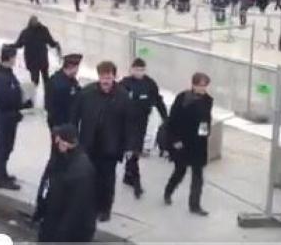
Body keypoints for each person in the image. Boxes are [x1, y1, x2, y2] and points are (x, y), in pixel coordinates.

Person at [70, 61, 136, 222]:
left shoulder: (122, 96)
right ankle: (89, 206)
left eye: (109, 77)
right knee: (88, 177)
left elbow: (129, 123)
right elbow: (74, 116)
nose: (105, 81)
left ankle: (105, 209)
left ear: (115, 76)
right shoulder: (87, 93)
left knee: (107, 180)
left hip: (110, 146)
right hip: (88, 144)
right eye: (103, 77)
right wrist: (72, 138)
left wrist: (129, 146)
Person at [33, 125, 97, 242]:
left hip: (67, 230)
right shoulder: (58, 159)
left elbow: (77, 207)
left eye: (59, 139)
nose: (56, 142)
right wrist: (40, 207)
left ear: (66, 143)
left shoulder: (81, 170)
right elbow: (46, 183)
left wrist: (62, 234)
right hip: (50, 220)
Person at [164, 72, 214, 216]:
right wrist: (175, 140)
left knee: (198, 176)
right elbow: (172, 120)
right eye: (200, 85)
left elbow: (206, 119)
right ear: (193, 84)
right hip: (183, 142)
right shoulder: (183, 98)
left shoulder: (208, 100)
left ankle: (195, 205)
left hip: (198, 143)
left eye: (205, 86)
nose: (203, 89)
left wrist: (205, 134)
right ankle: (168, 191)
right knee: (180, 171)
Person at [0, 45, 34, 190]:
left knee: (7, 146)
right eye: (15, 57)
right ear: (10, 58)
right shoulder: (0, 76)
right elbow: (4, 98)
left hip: (9, 115)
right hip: (5, 116)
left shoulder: (5, 73)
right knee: (3, 146)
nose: (16, 60)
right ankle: (0, 178)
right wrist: (20, 104)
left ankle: (3, 173)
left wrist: (23, 103)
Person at [119, 58, 168, 199]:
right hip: (126, 123)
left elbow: (158, 100)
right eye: (137, 69)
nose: (139, 72)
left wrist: (165, 117)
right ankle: (136, 181)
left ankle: (129, 175)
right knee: (132, 150)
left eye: (142, 69)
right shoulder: (125, 84)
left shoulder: (150, 84)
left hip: (141, 122)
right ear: (131, 69)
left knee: (135, 150)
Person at [13, 16, 61, 86]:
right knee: (44, 79)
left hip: (33, 61)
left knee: (36, 81)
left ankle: (37, 94)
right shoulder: (42, 30)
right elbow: (51, 42)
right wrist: (55, 44)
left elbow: (18, 44)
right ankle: (47, 94)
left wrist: (55, 44)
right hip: (41, 60)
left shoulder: (26, 32)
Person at [45, 54, 82, 131]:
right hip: (61, 125)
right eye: (77, 68)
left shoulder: (70, 79)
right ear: (71, 67)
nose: (77, 71)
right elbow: (52, 107)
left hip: (68, 123)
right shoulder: (58, 83)